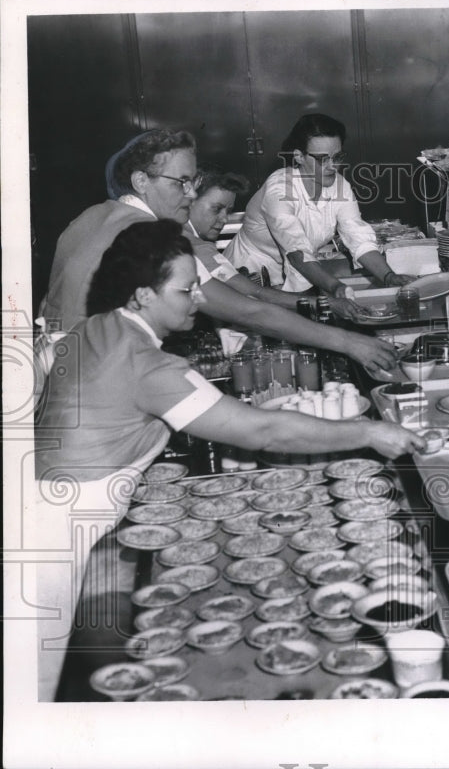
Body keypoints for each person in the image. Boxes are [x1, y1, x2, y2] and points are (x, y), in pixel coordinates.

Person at [32, 220, 425, 701]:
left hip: (44, 510)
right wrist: (370, 430)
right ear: (142, 296)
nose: (198, 298)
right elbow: (263, 431)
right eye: (185, 289)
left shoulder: (96, 328)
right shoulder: (147, 364)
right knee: (45, 690)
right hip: (64, 537)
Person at [39, 129, 397, 374]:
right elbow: (248, 310)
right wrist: (350, 343)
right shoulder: (148, 237)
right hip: (93, 379)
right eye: (181, 183)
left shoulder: (90, 216)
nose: (191, 194)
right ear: (140, 181)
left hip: (56, 368)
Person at [225, 113, 413, 311]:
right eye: (323, 159)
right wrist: (335, 286)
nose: (333, 166)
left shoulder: (340, 186)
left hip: (299, 276)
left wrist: (388, 276)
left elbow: (358, 236)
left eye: (337, 157)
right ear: (299, 156)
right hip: (247, 276)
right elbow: (297, 252)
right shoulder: (280, 190)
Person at [184, 167, 307, 310]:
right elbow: (256, 295)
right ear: (189, 202)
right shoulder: (197, 248)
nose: (224, 219)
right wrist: (326, 303)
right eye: (217, 209)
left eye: (228, 211)